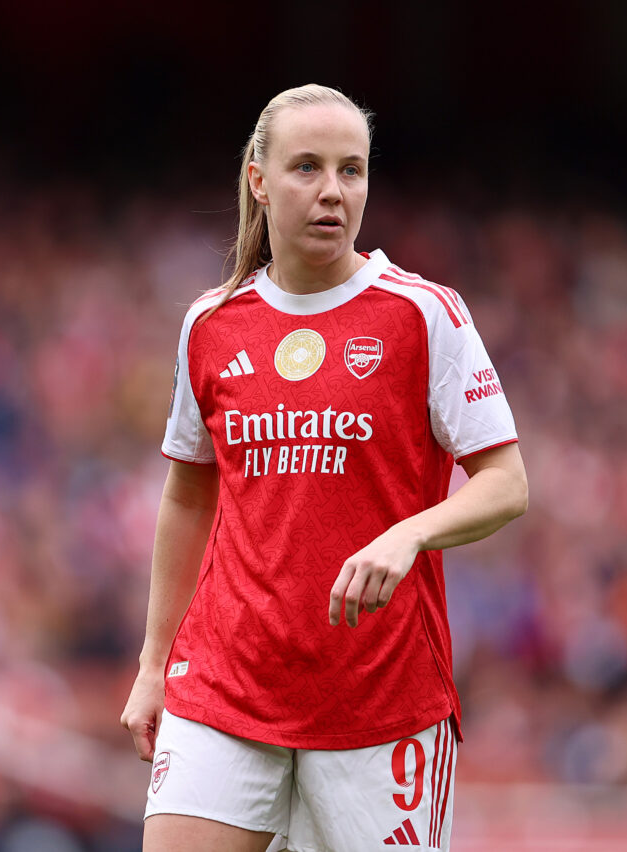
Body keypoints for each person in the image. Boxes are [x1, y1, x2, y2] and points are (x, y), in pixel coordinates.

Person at [120, 83, 528, 852]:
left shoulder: (423, 314)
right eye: (307, 167)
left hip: (379, 701)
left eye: (352, 170)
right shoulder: (211, 324)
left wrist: (408, 534)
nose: (333, 191)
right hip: (226, 684)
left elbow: (507, 484)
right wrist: (153, 665)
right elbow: (188, 497)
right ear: (259, 180)